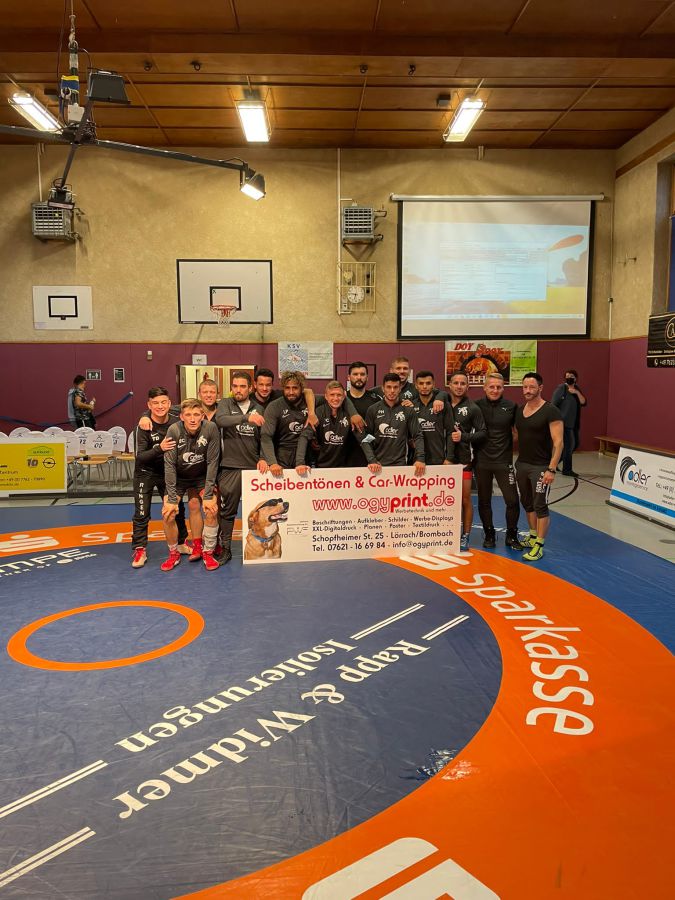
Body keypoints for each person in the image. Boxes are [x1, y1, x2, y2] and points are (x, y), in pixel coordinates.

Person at [130, 387, 191, 568]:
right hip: (145, 473)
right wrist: (160, 448)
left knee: (177, 508)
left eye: (163, 402)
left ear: (170, 404)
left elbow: (192, 408)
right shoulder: (143, 426)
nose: (160, 406)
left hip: (168, 472)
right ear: (149, 405)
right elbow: (140, 457)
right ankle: (140, 549)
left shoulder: (176, 420)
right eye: (155, 403)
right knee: (142, 512)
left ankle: (180, 543)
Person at [214, 371, 268, 564]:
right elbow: (221, 420)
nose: (238, 390)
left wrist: (263, 457)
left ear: (250, 388)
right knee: (228, 511)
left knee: (260, 511)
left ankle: (263, 548)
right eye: (235, 386)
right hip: (231, 466)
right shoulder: (225, 404)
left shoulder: (259, 408)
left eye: (242, 386)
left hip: (254, 468)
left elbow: (265, 437)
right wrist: (246, 418)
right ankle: (226, 549)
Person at [161, 399, 221, 572]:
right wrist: (172, 499)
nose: (192, 419)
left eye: (196, 414)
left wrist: (208, 495)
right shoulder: (174, 430)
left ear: (202, 415)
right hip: (179, 478)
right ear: (181, 417)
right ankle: (174, 553)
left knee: (211, 509)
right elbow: (169, 465)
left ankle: (206, 551)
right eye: (188, 415)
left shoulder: (211, 428)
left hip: (201, 476)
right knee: (168, 513)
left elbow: (213, 462)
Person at [515, 372, 564, 562]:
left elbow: (558, 442)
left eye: (532, 387)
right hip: (522, 464)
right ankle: (533, 535)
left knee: (540, 505)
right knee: (527, 502)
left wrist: (551, 469)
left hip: (541, 467)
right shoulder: (520, 410)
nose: (527, 390)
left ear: (540, 388)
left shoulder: (551, 411)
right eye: (525, 387)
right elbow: (517, 436)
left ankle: (539, 545)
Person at [474, 373, 525, 550]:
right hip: (482, 462)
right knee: (484, 500)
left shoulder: (511, 406)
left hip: (504, 462)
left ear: (503, 388)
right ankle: (489, 533)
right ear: (484, 387)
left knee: (512, 500)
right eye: (492, 387)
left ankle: (511, 535)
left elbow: (518, 432)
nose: (495, 390)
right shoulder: (476, 406)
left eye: (499, 387)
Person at [448, 371, 486, 551]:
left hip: (464, 461)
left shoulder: (473, 408)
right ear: (449, 385)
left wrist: (463, 436)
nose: (459, 386)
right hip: (443, 462)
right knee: (445, 499)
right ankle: (447, 533)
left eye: (462, 383)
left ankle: (466, 535)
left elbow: (483, 433)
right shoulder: (441, 403)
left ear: (468, 386)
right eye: (455, 383)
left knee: (464, 499)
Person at [364, 374, 425, 475]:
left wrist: (420, 459)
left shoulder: (408, 410)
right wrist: (372, 460)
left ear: (400, 388)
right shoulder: (373, 409)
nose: (392, 391)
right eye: (388, 387)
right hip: (377, 465)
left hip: (400, 464)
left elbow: (417, 435)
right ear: (383, 388)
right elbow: (367, 438)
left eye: (395, 387)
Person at [296, 381, 359, 471]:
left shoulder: (349, 414)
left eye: (339, 395)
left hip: (342, 467)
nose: (335, 398)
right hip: (318, 466)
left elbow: (362, 438)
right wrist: (300, 463)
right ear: (325, 396)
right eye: (332, 395)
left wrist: (372, 460)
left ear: (344, 396)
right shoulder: (318, 412)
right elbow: (304, 436)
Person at [261, 371, 310, 475]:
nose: (291, 392)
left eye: (295, 388)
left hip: (306, 454)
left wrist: (312, 412)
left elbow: (333, 398)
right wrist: (272, 462)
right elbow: (266, 436)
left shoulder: (310, 402)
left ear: (302, 388)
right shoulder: (274, 406)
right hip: (282, 456)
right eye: (287, 388)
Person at [411, 371, 453, 465]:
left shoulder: (443, 405)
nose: (424, 386)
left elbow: (450, 432)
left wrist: (449, 458)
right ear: (416, 386)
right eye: (421, 383)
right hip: (418, 461)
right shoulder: (412, 406)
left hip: (440, 459)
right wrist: (410, 441)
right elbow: (407, 434)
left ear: (433, 384)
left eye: (428, 383)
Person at [551, 369, 587, 477]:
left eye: (571, 376)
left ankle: (554, 462)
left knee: (575, 444)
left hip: (574, 423)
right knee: (569, 445)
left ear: (575, 378)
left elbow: (583, 402)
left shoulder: (577, 389)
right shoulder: (561, 389)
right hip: (563, 423)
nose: (569, 378)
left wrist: (576, 392)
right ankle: (567, 470)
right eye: (567, 376)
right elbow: (553, 405)